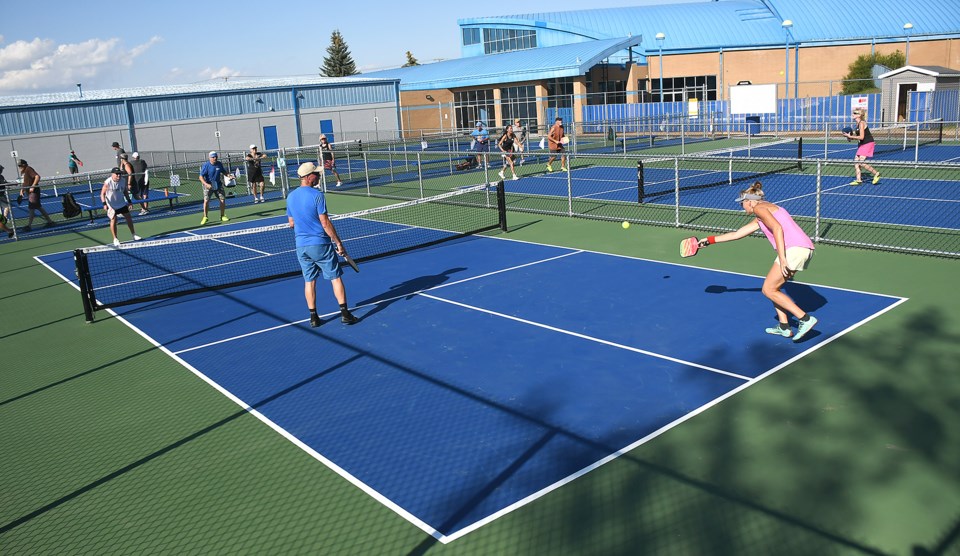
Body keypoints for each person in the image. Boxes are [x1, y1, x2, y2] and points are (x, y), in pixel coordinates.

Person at [693, 181, 818, 341]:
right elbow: (736, 234)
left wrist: (782, 256)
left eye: (742, 203)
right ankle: (784, 327)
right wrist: (708, 240)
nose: (742, 207)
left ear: (750, 201)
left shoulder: (759, 208)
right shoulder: (764, 211)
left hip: (793, 249)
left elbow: (777, 228)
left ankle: (805, 319)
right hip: (802, 248)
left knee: (768, 289)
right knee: (774, 288)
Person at [286, 162, 359, 327]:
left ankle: (313, 318)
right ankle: (345, 314)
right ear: (307, 177)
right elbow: (325, 223)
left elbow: (291, 223)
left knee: (309, 281)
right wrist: (339, 243)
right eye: (316, 174)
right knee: (335, 278)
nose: (319, 176)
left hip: (301, 246)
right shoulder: (317, 195)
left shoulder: (290, 196)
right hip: (320, 245)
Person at [101, 167, 141, 246]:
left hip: (121, 203)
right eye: (117, 174)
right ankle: (115, 239)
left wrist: (129, 201)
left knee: (128, 217)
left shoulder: (123, 180)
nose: (119, 175)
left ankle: (134, 235)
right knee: (114, 220)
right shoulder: (108, 182)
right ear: (112, 174)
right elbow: (102, 194)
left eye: (119, 174)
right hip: (111, 205)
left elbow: (125, 192)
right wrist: (104, 204)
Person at [843, 107, 880, 186]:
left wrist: (851, 137)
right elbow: (859, 138)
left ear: (859, 115)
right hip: (862, 144)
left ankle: (876, 173)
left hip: (867, 143)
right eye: (853, 113)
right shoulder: (857, 124)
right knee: (856, 161)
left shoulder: (862, 123)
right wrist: (849, 137)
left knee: (861, 162)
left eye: (855, 113)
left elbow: (862, 137)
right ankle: (859, 180)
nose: (853, 114)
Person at [17, 159, 54, 232]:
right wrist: (22, 189)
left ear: (24, 164)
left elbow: (37, 177)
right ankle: (50, 222)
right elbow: (25, 182)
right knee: (38, 207)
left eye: (20, 165)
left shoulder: (28, 169)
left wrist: (33, 186)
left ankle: (29, 226)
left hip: (33, 192)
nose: (19, 167)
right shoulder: (24, 171)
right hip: (29, 191)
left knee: (31, 208)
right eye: (19, 166)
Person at [199, 151, 231, 225]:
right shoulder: (206, 165)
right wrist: (206, 184)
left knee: (222, 200)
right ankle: (205, 217)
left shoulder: (219, 164)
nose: (215, 158)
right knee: (206, 201)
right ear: (210, 158)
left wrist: (229, 176)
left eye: (216, 156)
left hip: (218, 185)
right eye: (213, 157)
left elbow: (224, 172)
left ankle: (222, 216)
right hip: (208, 186)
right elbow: (200, 177)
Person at [0, 164, 13, 238]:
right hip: (1, 196)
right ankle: (9, 230)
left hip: (2, 195)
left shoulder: (1, 177)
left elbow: (4, 183)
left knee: (7, 207)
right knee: (7, 206)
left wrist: (11, 184)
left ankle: (4, 220)